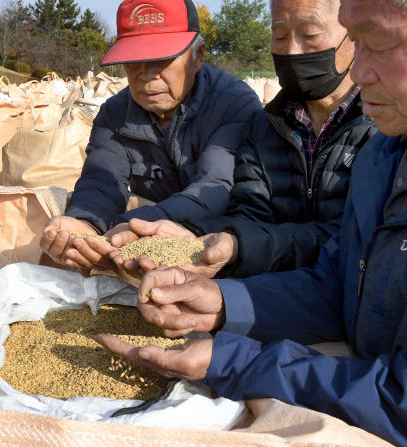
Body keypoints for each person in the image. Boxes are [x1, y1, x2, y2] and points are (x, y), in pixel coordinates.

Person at [97, 0, 407, 445]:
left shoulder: (383, 142)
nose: (358, 72)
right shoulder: (387, 158)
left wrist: (235, 361)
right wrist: (223, 301)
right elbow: (342, 286)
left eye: (379, 42)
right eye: (357, 43)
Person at [112, 0, 377, 280]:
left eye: (309, 35)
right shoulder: (266, 126)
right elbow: (250, 215)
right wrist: (195, 236)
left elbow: (355, 239)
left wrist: (237, 245)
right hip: (283, 294)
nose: (291, 50)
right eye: (279, 36)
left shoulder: (384, 127)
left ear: (356, 35)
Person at [40, 0, 262, 272]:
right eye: (134, 61)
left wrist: (135, 224)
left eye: (163, 59)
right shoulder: (115, 115)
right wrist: (85, 222)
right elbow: (101, 180)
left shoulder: (232, 104)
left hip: (224, 245)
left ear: (198, 56)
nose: (147, 75)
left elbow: (216, 184)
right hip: (153, 246)